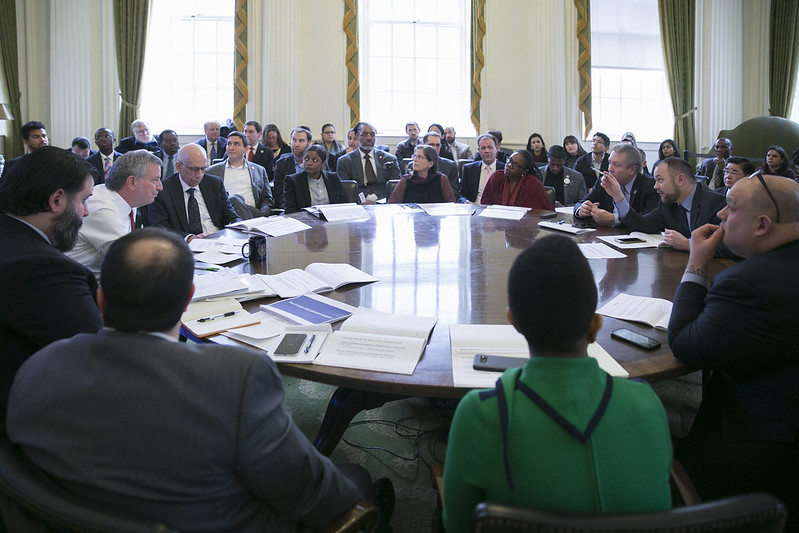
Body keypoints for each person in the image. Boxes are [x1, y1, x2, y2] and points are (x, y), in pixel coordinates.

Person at [6, 228, 379, 532]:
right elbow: (311, 497)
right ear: (188, 299)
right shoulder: (236, 377)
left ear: (100, 299)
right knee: (356, 480)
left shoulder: (38, 364)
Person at [442, 235, 672, 533]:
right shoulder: (648, 404)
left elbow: (457, 526)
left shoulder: (478, 415)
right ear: (595, 325)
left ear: (515, 323)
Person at [668, 175, 799, 527]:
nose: (721, 214)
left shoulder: (747, 283)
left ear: (762, 224)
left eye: (731, 207)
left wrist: (696, 264)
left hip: (763, 448)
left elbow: (683, 343)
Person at [0, 146, 101, 427]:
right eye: (83, 200)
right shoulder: (42, 269)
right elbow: (96, 360)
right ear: (57, 199)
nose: (86, 212)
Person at [67, 149, 164, 277]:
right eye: (155, 180)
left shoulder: (126, 200)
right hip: (79, 286)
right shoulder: (103, 208)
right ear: (132, 182)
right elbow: (133, 261)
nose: (160, 187)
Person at [614, 157, 728, 253]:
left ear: (680, 180)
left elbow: (730, 245)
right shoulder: (669, 204)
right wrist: (619, 198)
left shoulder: (716, 203)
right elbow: (643, 225)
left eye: (660, 180)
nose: (655, 186)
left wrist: (688, 244)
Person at [148, 143, 239, 241]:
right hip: (185, 246)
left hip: (219, 240)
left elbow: (231, 216)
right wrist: (189, 238)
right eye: (194, 169)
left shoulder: (214, 184)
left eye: (203, 169)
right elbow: (160, 229)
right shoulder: (163, 191)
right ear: (178, 167)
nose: (199, 175)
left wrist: (242, 227)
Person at [574, 143, 659, 226]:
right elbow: (580, 203)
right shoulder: (604, 181)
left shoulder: (650, 186)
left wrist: (615, 219)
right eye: (609, 162)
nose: (610, 169)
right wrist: (582, 210)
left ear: (632, 170)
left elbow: (648, 222)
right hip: (605, 235)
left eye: (616, 165)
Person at [204, 131, 273, 219]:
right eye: (229, 144)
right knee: (234, 199)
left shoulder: (259, 170)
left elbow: (267, 199)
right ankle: (253, 225)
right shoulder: (213, 171)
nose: (231, 148)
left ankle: (248, 224)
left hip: (254, 213)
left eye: (236, 144)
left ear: (246, 149)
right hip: (226, 214)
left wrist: (263, 214)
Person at [335, 122, 400, 202]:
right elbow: (346, 190)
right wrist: (363, 201)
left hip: (384, 202)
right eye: (364, 134)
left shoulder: (389, 159)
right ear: (357, 136)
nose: (369, 138)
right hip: (357, 203)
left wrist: (376, 201)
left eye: (372, 134)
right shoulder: (344, 161)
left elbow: (396, 187)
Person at [480, 150, 552, 210]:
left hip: (524, 224)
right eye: (509, 160)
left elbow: (545, 212)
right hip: (496, 222)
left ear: (524, 171)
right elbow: (484, 204)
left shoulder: (532, 184)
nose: (509, 165)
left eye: (515, 165)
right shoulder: (497, 177)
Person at [284, 145, 345, 214]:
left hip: (331, 219)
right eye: (306, 159)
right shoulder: (293, 181)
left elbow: (342, 204)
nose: (309, 163)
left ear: (323, 164)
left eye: (314, 160)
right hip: (305, 220)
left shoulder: (333, 178)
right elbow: (290, 210)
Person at [387, 145, 456, 204]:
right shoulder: (406, 180)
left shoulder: (441, 179)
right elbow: (392, 205)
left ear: (430, 163)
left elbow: (451, 205)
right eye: (415, 156)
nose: (414, 160)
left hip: (435, 218)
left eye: (420, 157)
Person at [274, 126, 313, 209]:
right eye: (294, 140)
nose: (296, 144)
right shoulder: (281, 164)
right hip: (289, 208)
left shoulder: (316, 163)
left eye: (301, 141)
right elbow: (279, 194)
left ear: (309, 143)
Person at [460, 133, 505, 203]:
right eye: (483, 148)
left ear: (496, 148)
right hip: (474, 207)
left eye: (490, 147)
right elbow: (462, 195)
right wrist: (465, 201)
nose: (487, 151)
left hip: (496, 208)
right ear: (479, 150)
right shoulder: (469, 169)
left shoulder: (504, 169)